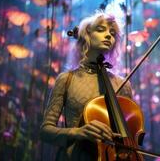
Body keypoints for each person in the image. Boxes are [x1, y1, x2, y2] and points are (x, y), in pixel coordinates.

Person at [40, 10, 133, 160]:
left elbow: (132, 136)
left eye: (113, 33)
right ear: (87, 35)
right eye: (101, 30)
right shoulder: (66, 79)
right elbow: (45, 131)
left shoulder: (123, 85)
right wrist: (77, 132)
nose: (109, 35)